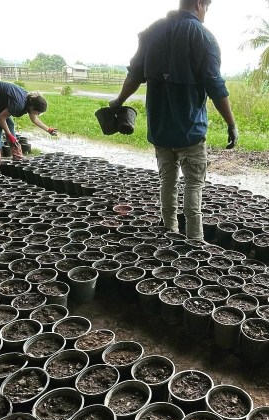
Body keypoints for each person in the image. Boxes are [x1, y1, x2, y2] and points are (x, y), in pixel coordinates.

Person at [108, 0, 238, 240]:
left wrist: (117, 102)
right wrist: (231, 123)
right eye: (207, 7)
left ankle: (170, 233)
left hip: (160, 129)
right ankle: (194, 242)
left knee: (167, 182)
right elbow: (215, 86)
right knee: (193, 185)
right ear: (200, 3)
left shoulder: (152, 31)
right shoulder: (204, 37)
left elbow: (134, 75)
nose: (205, 12)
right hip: (190, 130)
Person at [0, 79, 58, 169]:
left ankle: (17, 156)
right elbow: (1, 117)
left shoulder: (30, 101)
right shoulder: (19, 104)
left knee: (10, 124)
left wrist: (48, 129)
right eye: (38, 112)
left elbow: (34, 119)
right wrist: (9, 135)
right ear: (32, 107)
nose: (38, 114)